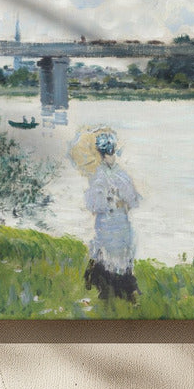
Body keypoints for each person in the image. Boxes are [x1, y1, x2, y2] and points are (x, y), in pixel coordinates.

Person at [75, 129, 140, 301]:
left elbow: (132, 200)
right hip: (110, 222)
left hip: (117, 222)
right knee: (110, 250)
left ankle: (117, 289)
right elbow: (95, 204)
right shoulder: (109, 175)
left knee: (116, 251)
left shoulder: (107, 175)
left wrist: (115, 202)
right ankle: (112, 289)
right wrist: (113, 202)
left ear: (100, 152)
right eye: (109, 151)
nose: (109, 154)